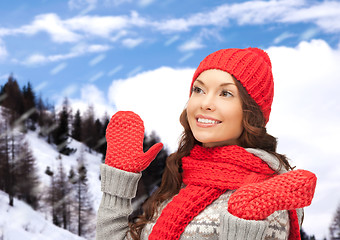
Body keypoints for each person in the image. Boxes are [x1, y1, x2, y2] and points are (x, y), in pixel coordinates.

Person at [96, 47, 317, 240]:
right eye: (199, 90)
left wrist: (244, 225)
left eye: (226, 93)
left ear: (251, 112)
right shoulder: (180, 183)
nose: (206, 103)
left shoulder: (269, 198)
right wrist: (118, 185)